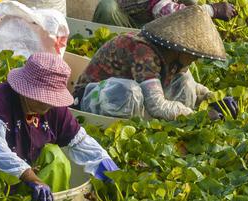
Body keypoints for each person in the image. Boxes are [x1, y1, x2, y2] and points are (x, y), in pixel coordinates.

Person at [0, 52, 120, 201]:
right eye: (43, 97)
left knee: (55, 156)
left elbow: (81, 142)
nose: (48, 103)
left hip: (14, 184)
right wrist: (31, 177)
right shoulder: (0, 98)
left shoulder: (53, 109)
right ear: (26, 90)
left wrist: (108, 169)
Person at [74, 6, 237, 121]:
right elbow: (156, 105)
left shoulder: (173, 56)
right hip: (91, 98)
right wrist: (199, 116)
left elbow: (193, 87)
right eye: (194, 54)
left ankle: (165, 124)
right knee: (130, 93)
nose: (196, 59)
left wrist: (212, 99)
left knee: (185, 82)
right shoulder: (145, 52)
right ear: (182, 48)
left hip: (127, 95)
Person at [94, 0, 236, 29]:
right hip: (125, 22)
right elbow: (163, 9)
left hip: (150, 25)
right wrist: (212, 10)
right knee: (107, 7)